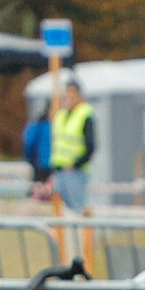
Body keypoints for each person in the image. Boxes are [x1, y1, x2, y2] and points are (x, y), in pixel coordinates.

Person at [50, 80, 95, 212]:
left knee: (78, 210)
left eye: (71, 93)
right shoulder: (61, 115)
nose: (68, 97)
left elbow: (90, 146)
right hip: (59, 171)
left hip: (75, 172)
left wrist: (75, 164)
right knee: (61, 211)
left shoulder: (85, 115)